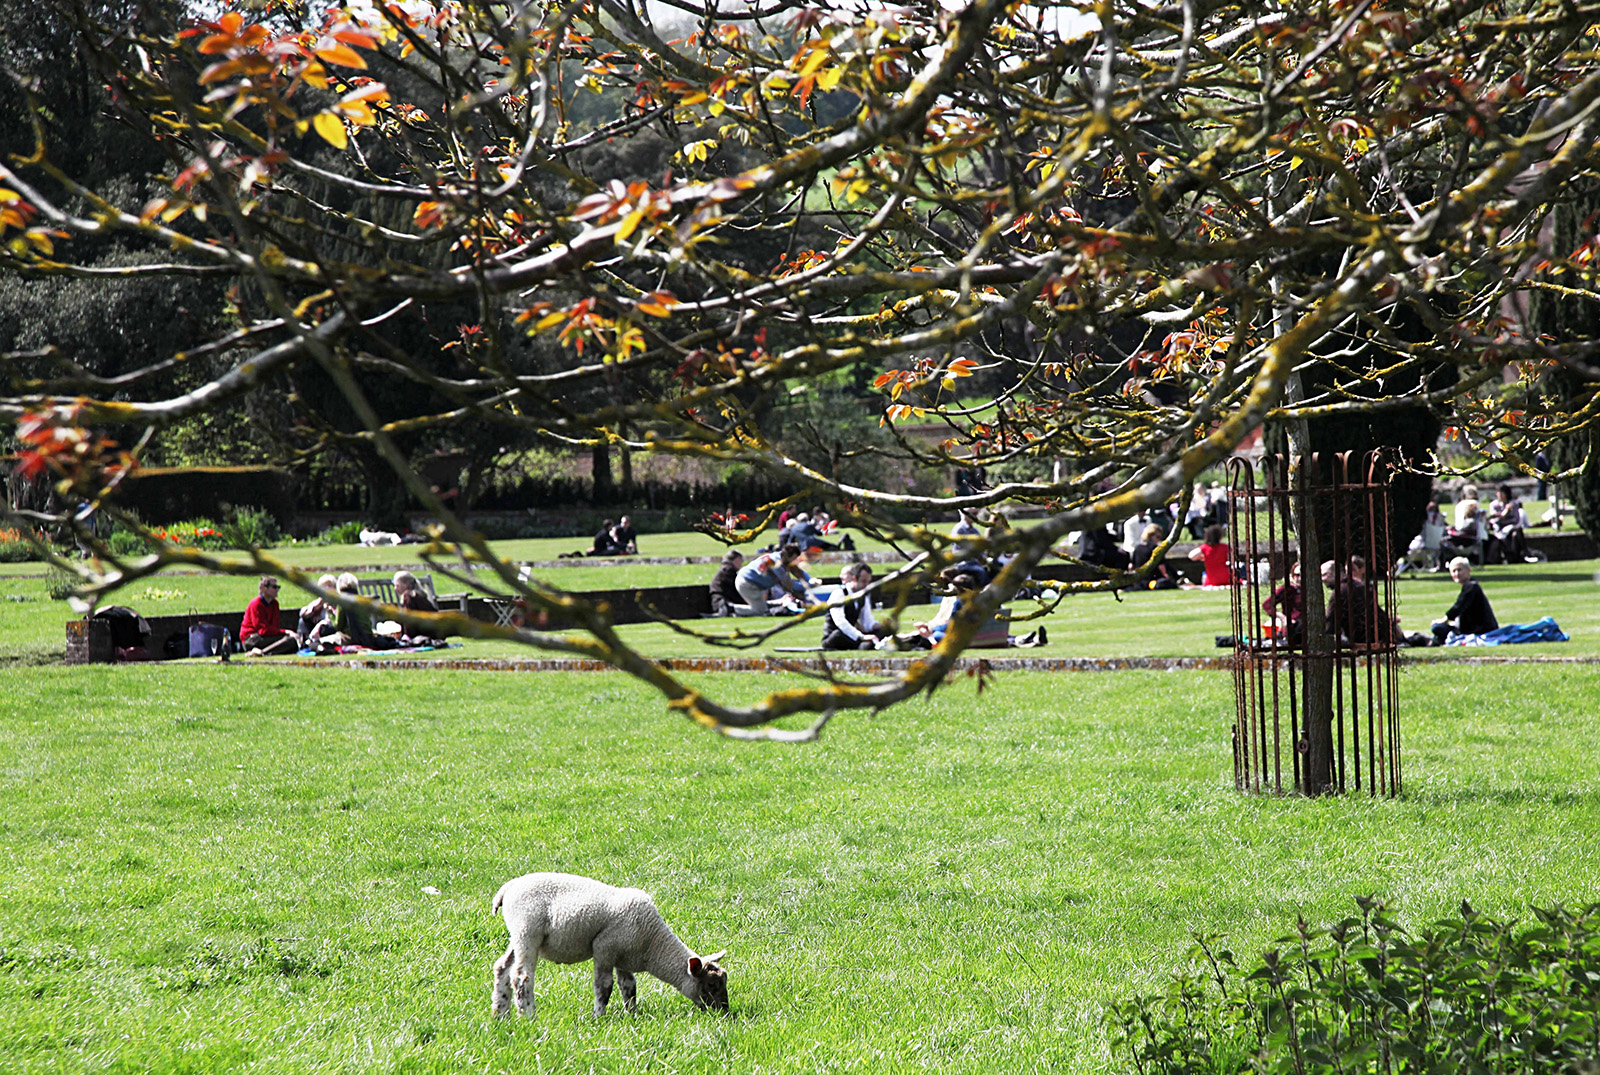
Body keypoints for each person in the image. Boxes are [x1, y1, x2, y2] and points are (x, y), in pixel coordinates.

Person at [821, 563, 891, 650]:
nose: (866, 585)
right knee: (837, 635)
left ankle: (868, 644)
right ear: (854, 579)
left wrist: (881, 626)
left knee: (885, 631)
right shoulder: (839, 593)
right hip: (837, 635)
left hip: (854, 635)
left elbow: (867, 622)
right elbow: (840, 622)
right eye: (863, 581)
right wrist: (861, 637)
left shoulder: (864, 595)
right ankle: (867, 645)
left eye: (868, 582)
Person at [1431, 557, 1498, 645]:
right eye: (1454, 571)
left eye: (1459, 570)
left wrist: (1444, 620)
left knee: (1436, 628)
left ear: (1468, 570)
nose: (1457, 574)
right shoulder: (1470, 587)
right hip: (1470, 628)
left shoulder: (1472, 586)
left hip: (1480, 630)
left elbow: (1458, 607)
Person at [324, 572, 397, 650]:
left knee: (321, 642)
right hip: (368, 637)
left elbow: (338, 626)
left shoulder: (343, 602)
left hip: (351, 638)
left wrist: (330, 612)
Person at [735, 542, 812, 615]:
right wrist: (810, 586)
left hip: (748, 580)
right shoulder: (776, 565)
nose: (795, 562)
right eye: (794, 558)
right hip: (747, 582)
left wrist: (810, 580)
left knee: (763, 607)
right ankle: (731, 608)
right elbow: (790, 585)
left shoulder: (779, 556)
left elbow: (799, 572)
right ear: (789, 556)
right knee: (761, 611)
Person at [240, 575, 300, 655]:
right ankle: (262, 652)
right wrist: (286, 631)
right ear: (264, 588)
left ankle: (261, 652)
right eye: (274, 587)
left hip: (266, 637)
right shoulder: (256, 604)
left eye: (278, 587)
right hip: (252, 639)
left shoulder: (275, 604)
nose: (277, 590)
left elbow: (274, 627)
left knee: (291, 641)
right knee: (289, 641)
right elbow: (262, 630)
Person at [1486, 484, 1536, 563]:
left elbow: (1516, 519)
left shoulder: (1514, 504)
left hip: (1512, 528)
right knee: (1517, 532)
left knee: (1516, 533)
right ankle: (1526, 553)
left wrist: (1503, 518)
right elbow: (1494, 521)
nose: (1500, 496)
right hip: (1500, 530)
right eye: (1498, 493)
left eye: (1502, 493)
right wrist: (1505, 513)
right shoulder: (1494, 505)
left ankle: (1519, 556)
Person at [1261, 560, 1304, 646]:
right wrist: (1283, 617)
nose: (1300, 578)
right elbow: (1267, 604)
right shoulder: (1287, 589)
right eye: (1297, 575)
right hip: (1294, 627)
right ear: (1292, 576)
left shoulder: (1312, 590)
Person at [1131, 523, 1177, 588]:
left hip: (1141, 582)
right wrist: (1166, 576)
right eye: (1157, 537)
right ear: (1150, 535)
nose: (1158, 540)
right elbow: (1161, 566)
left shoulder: (1138, 548)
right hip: (1153, 581)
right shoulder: (1155, 548)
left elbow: (1132, 566)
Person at [298, 573, 340, 641]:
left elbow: (332, 619)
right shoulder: (319, 601)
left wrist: (320, 625)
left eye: (329, 585)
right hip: (317, 627)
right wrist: (314, 608)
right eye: (324, 587)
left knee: (324, 629)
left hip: (331, 627)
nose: (326, 589)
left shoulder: (336, 602)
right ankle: (303, 642)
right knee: (302, 621)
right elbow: (302, 613)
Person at [708, 549, 746, 616]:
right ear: (736, 560)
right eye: (741, 559)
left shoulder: (726, 569)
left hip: (720, 601)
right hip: (721, 603)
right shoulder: (728, 570)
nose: (742, 562)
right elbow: (734, 590)